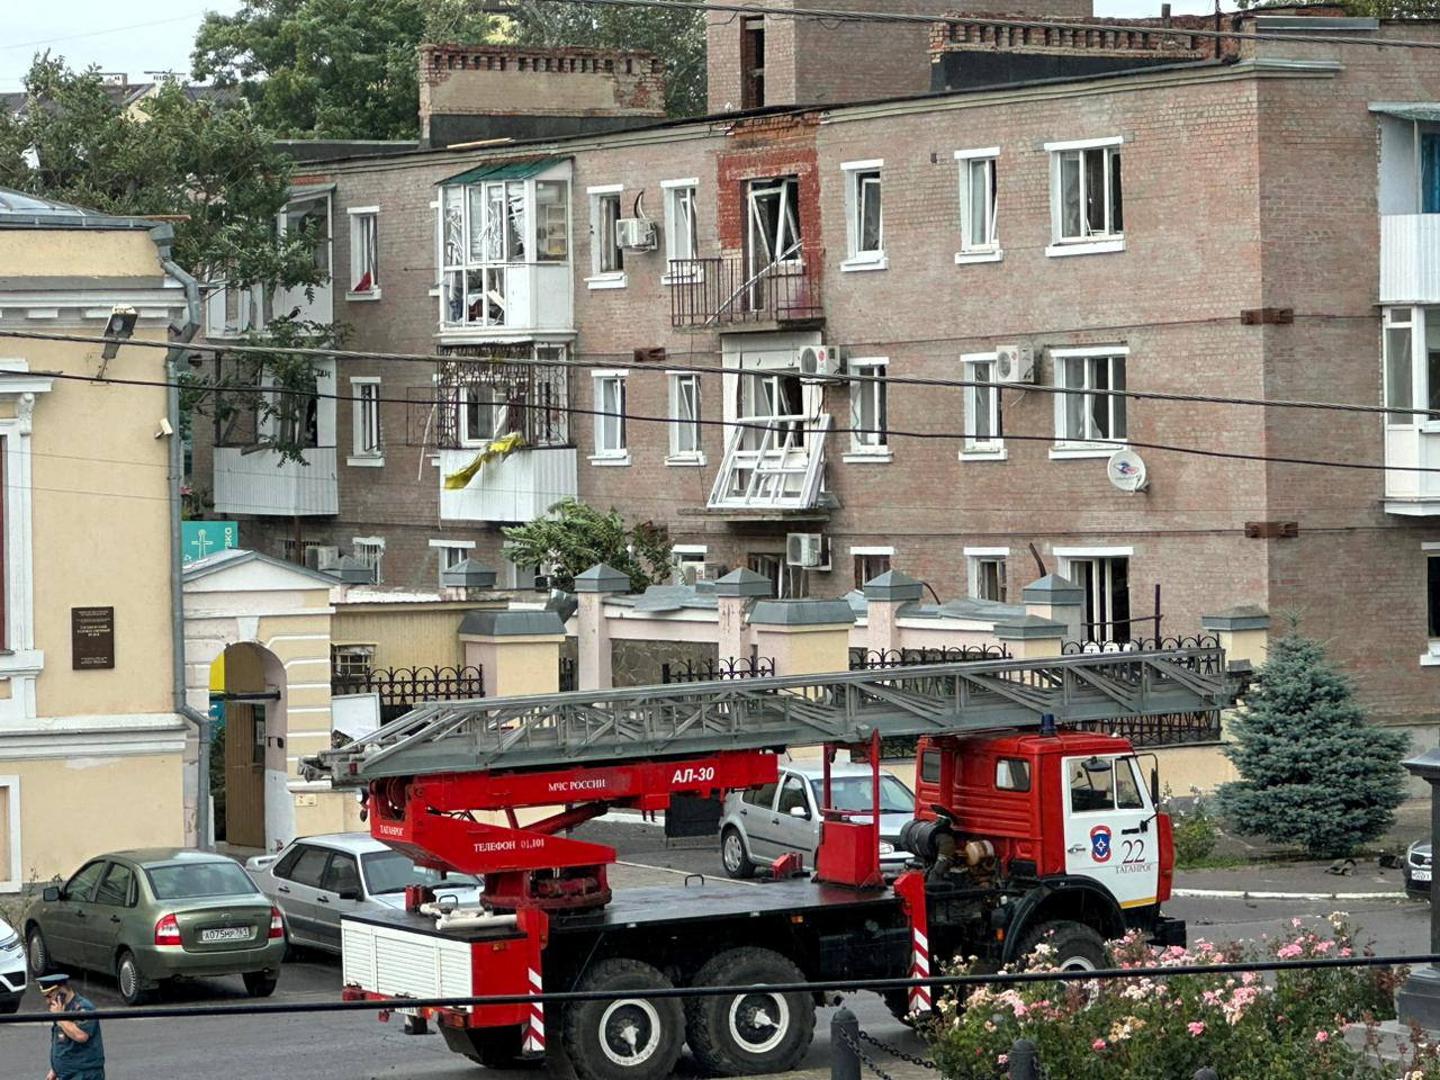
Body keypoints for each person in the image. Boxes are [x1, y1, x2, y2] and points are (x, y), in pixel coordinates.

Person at [39, 973, 105, 1080]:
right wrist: (54, 1069)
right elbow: (61, 1042)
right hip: (67, 1074)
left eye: (50, 996)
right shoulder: (61, 1009)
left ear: (61, 992)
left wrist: (60, 1017)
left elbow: (81, 1035)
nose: (48, 1001)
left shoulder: (83, 1008)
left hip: (84, 1074)